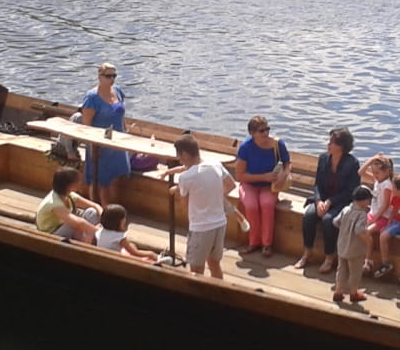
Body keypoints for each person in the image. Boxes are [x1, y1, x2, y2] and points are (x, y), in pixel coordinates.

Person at [160, 134, 246, 280]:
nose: (179, 159)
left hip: (201, 227)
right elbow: (231, 185)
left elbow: (184, 205)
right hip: (220, 223)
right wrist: (214, 196)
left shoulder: (185, 178)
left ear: (185, 154)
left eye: (179, 156)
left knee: (196, 270)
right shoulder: (215, 164)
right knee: (214, 265)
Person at [294, 127, 361, 275]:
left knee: (328, 220)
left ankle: (329, 257)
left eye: (332, 142)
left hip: (341, 202)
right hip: (322, 200)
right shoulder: (323, 158)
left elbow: (351, 191)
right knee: (309, 216)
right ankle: (307, 253)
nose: (328, 144)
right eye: (329, 141)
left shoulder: (352, 163)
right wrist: (318, 201)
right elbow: (317, 183)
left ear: (342, 146)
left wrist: (330, 201)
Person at [233, 115, 290, 256]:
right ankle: (253, 242)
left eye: (267, 129)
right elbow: (239, 175)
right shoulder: (246, 147)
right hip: (249, 183)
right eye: (261, 131)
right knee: (251, 205)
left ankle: (267, 244)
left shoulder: (278, 144)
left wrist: (282, 177)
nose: (265, 133)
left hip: (270, 186)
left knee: (266, 204)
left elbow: (288, 164)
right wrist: (263, 176)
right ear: (252, 133)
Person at [80, 62, 130, 205]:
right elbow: (86, 124)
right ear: (100, 77)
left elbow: (121, 114)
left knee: (118, 176)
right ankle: (99, 209)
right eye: (108, 76)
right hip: (100, 144)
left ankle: (113, 208)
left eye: (114, 75)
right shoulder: (92, 97)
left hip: (118, 142)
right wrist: (91, 146)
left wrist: (126, 132)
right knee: (100, 180)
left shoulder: (118, 91)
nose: (112, 79)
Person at [36, 166, 101, 243]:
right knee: (73, 223)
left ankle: (87, 242)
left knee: (92, 212)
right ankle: (87, 243)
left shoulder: (69, 195)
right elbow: (77, 223)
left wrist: (104, 219)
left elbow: (95, 206)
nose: (80, 183)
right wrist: (98, 230)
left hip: (64, 228)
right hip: (49, 235)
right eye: (77, 181)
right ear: (69, 185)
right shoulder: (54, 203)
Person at [332, 185, 373, 303]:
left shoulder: (346, 210)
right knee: (355, 272)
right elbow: (359, 230)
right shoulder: (362, 214)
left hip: (342, 245)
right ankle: (353, 293)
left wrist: (345, 229)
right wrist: (366, 238)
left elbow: (336, 222)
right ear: (364, 200)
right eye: (368, 200)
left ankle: (338, 292)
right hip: (355, 249)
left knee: (341, 270)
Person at [358, 154, 394, 272]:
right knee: (356, 227)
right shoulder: (377, 181)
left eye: (377, 173)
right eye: (373, 173)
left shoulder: (387, 185)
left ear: (387, 172)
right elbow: (361, 172)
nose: (375, 176)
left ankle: (368, 260)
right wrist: (372, 159)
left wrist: (374, 219)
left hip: (382, 217)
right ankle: (357, 256)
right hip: (373, 214)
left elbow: (385, 206)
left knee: (366, 231)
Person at [95, 204, 159, 263]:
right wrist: (150, 254)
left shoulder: (100, 231)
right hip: (114, 261)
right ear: (120, 223)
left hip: (103, 257)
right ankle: (159, 261)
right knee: (145, 258)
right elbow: (135, 253)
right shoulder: (119, 237)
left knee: (132, 245)